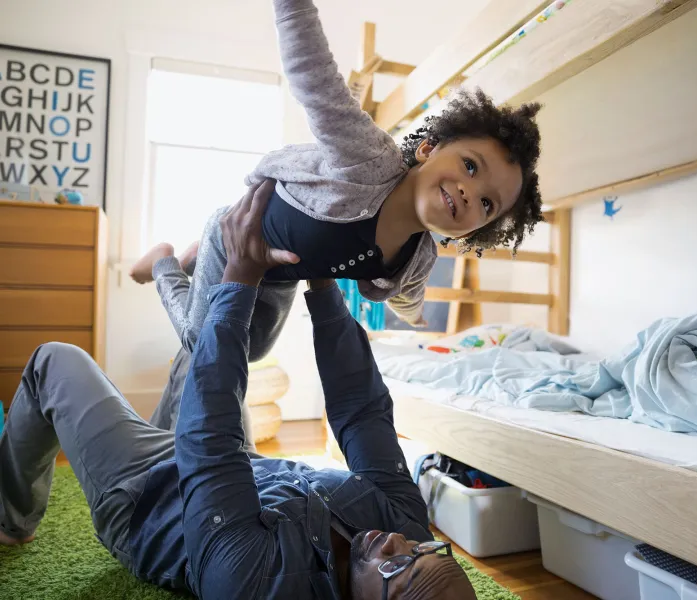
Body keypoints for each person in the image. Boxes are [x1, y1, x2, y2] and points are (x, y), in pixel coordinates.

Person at [0, 179, 478, 600]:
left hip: (144, 490)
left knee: (55, 360)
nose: (395, 543)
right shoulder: (406, 530)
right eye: (423, 551)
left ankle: (10, 520)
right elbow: (362, 412)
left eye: (395, 570)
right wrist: (323, 282)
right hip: (238, 463)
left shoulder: (255, 584)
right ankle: (169, 264)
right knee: (206, 343)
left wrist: (240, 276)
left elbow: (208, 443)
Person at [129, 0, 544, 364]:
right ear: (428, 149)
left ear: (476, 230)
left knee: (253, 350)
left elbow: (406, 296)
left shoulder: (418, 258)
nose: (471, 194)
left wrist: (413, 315)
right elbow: (314, 77)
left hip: (280, 274)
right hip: (236, 236)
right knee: (206, 344)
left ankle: (192, 258)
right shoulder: (367, 159)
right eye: (470, 166)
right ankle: (166, 261)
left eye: (487, 205)